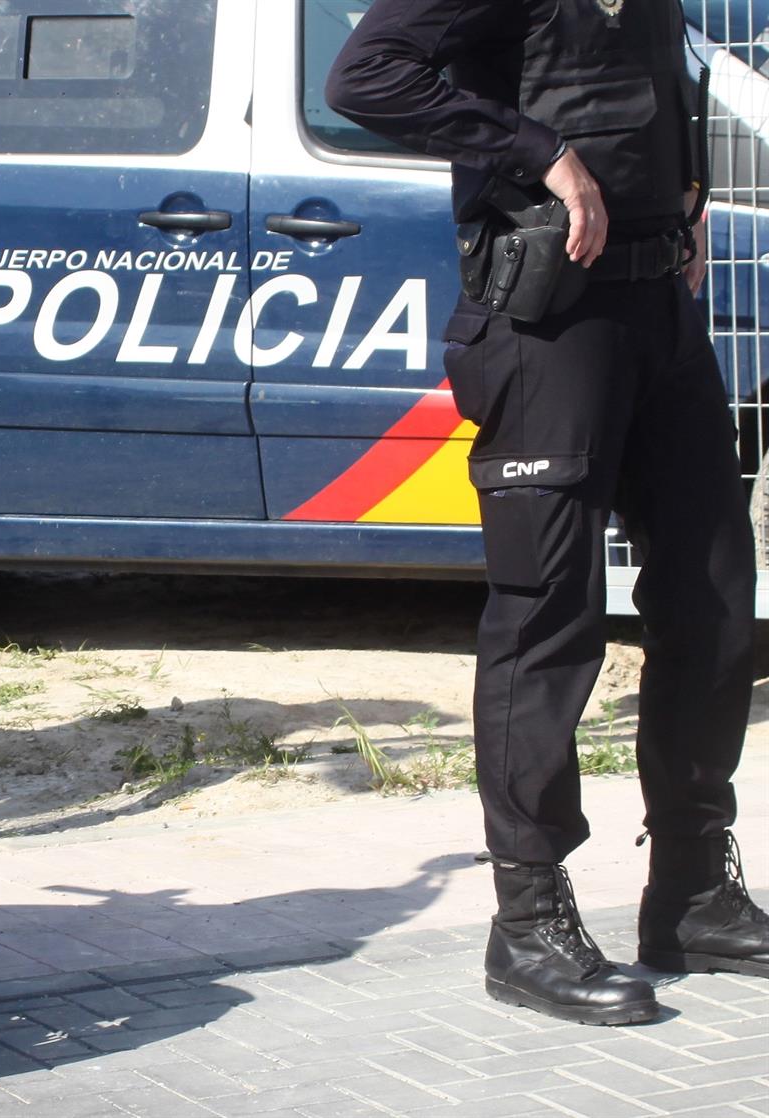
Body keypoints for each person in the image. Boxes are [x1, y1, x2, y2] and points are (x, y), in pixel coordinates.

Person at [327, 0, 767, 1026]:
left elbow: (649, 77)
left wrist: (685, 190)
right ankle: (527, 925)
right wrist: (541, 152)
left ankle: (692, 893)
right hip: (548, 315)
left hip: (660, 305)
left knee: (715, 605)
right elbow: (365, 76)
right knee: (547, 622)